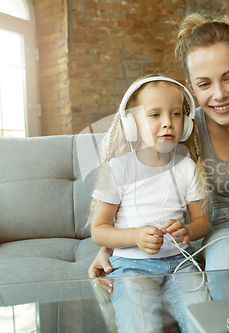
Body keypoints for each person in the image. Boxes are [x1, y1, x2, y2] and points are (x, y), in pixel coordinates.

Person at [90, 13, 229, 300]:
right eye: (204, 84)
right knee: (223, 267)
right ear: (192, 88)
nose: (219, 94)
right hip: (228, 221)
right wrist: (108, 248)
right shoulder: (186, 129)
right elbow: (149, 193)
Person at [88, 74, 211, 332]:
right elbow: (99, 230)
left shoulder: (187, 167)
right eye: (155, 115)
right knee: (139, 326)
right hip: (132, 267)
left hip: (179, 262)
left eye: (176, 114)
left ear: (186, 123)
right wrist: (135, 236)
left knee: (204, 323)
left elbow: (202, 223)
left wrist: (188, 230)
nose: (168, 123)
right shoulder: (118, 169)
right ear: (132, 125)